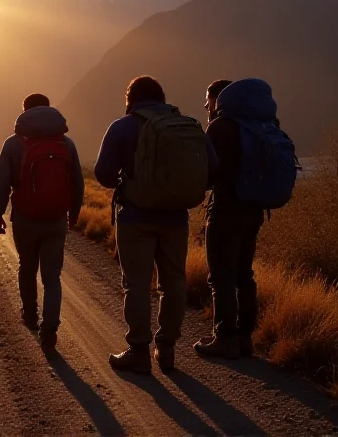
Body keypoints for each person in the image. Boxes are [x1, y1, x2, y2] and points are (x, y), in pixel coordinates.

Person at [94, 76, 214, 374]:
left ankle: (139, 352)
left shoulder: (122, 127)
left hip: (135, 217)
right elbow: (212, 170)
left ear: (130, 98)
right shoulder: (186, 125)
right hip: (175, 217)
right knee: (173, 281)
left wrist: (127, 181)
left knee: (136, 285)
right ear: (162, 97)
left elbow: (103, 173)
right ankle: (167, 348)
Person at [0, 94, 84, 356]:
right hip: (55, 219)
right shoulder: (66, 143)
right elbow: (77, 182)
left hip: (25, 218)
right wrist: (73, 214)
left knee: (27, 267)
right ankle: (49, 331)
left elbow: (1, 184)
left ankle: (30, 314)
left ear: (25, 112)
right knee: (52, 277)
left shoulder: (13, 143)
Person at [195, 79, 277, 359]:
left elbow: (207, 174)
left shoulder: (220, 127)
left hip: (225, 210)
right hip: (253, 211)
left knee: (221, 277)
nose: (206, 106)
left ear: (220, 99)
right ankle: (245, 339)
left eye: (209, 99)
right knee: (244, 275)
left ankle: (225, 338)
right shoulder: (258, 125)